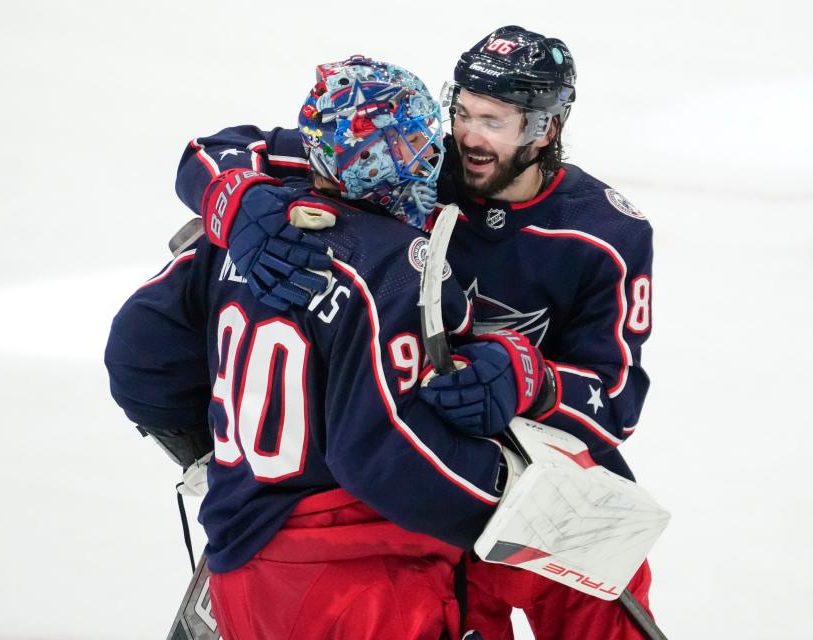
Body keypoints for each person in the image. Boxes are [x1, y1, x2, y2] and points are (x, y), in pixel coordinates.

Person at [169, 26, 656, 640]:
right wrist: (236, 199)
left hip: (513, 479)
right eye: (463, 112)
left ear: (546, 128)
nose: (469, 137)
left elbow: (616, 399)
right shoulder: (401, 157)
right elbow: (212, 150)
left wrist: (533, 379)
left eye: (495, 121)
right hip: (397, 482)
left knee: (608, 566)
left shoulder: (605, 235)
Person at [105, 56, 534, 640]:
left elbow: (136, 350)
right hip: (357, 580)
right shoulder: (398, 266)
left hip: (238, 562)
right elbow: (386, 456)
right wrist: (511, 497)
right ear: (387, 162)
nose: (435, 157)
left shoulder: (235, 233)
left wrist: (222, 455)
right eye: (418, 142)